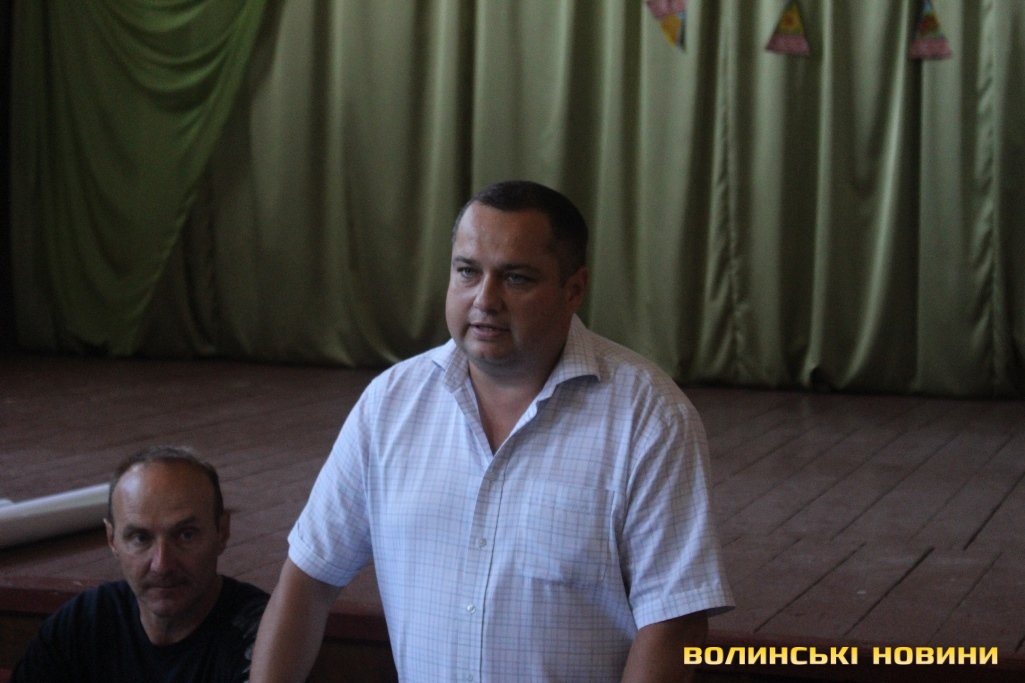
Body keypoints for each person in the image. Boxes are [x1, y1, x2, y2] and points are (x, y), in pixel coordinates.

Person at [251, 180, 733, 682]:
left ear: (574, 289)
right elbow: (307, 581)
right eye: (467, 272)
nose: (485, 299)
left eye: (516, 278)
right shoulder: (390, 403)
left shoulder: (649, 417)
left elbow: (673, 625)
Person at [11, 446, 269, 683]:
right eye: (141, 538)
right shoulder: (83, 624)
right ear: (112, 540)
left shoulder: (262, 639)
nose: (162, 565)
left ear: (222, 532)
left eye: (186, 535)